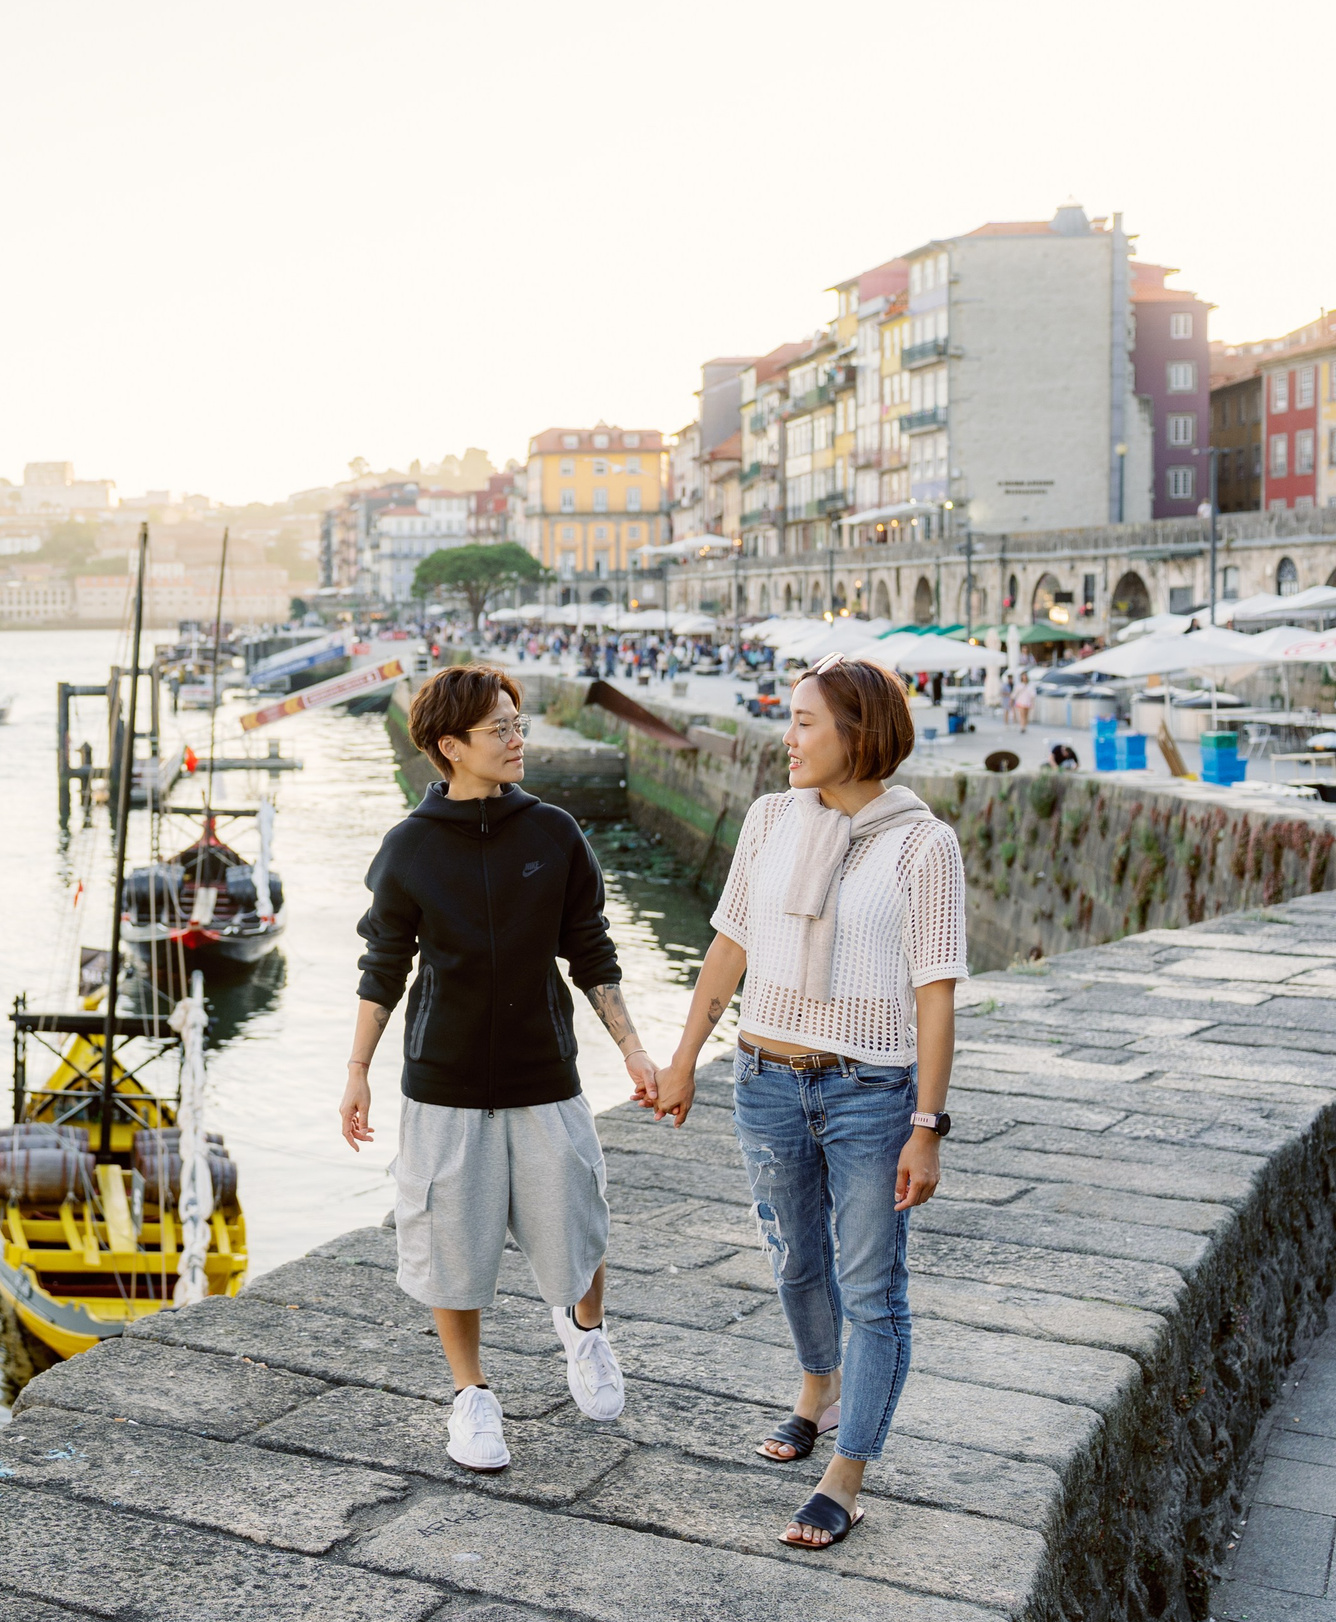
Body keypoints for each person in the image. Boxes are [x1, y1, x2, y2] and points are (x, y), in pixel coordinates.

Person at [646, 655, 965, 1550]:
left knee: (872, 1286)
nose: (787, 738)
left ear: (858, 735)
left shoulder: (921, 844)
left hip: (871, 1092)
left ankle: (847, 1474)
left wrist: (926, 1125)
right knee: (794, 1261)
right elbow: (729, 943)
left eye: (804, 722)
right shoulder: (770, 818)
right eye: (789, 720)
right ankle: (815, 1387)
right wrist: (684, 1058)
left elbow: (935, 992)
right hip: (764, 1077)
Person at [340, 663, 657, 1475]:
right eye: (501, 729)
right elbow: (384, 965)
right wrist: (357, 1069)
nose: (520, 739)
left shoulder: (553, 832)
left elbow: (591, 950)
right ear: (451, 747)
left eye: (519, 723)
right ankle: (472, 1396)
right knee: (452, 1243)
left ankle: (585, 1333)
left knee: (578, 1221)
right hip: (443, 1080)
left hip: (545, 1071)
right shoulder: (408, 846)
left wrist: (631, 1047)